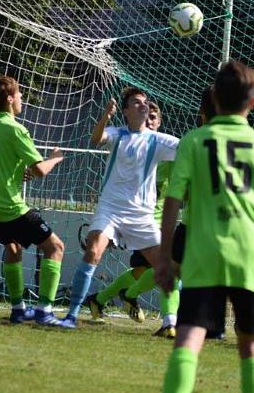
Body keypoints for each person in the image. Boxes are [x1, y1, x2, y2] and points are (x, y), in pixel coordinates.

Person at [138, 60, 254, 393]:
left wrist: (164, 257)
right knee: (252, 346)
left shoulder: (195, 140)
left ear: (214, 99)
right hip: (250, 257)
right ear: (253, 102)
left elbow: (173, 199)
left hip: (204, 254)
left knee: (188, 340)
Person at [62, 87, 178, 328]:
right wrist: (105, 115)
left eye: (145, 101)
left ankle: (170, 324)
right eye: (136, 102)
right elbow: (96, 138)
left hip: (141, 216)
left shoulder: (159, 140)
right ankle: (71, 315)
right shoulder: (118, 133)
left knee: (166, 267)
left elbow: (189, 148)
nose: (142, 105)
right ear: (125, 111)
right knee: (93, 251)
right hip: (111, 208)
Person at [0, 76, 67, 326]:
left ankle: (18, 309)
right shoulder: (16, 128)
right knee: (55, 247)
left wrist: (15, 173)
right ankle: (45, 312)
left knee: (13, 247)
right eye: (20, 94)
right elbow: (40, 170)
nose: (23, 97)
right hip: (7, 205)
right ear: (10, 99)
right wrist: (56, 158)